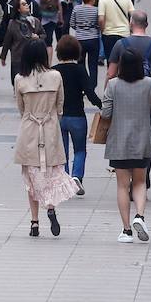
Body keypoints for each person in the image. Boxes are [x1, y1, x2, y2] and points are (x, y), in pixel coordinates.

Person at [14, 39, 78, 238]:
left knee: (31, 179)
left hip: (29, 129)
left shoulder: (20, 79)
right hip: (50, 128)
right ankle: (50, 207)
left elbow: (21, 108)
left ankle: (34, 222)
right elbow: (60, 104)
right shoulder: (55, 76)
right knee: (50, 174)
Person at [103, 48, 151, 242]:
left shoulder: (113, 85)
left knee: (122, 185)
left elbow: (106, 113)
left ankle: (126, 230)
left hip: (119, 141)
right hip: (142, 140)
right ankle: (140, 216)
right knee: (140, 182)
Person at [54, 35, 100, 196]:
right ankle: (76, 176)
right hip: (77, 116)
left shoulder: (53, 71)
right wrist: (102, 105)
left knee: (62, 151)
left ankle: (65, 179)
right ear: (77, 52)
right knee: (80, 149)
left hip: (58, 116)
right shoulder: (80, 70)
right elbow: (90, 93)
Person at [0, 0, 43, 89]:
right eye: (23, 4)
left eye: (26, 3)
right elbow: (7, 40)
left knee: (31, 79)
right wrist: (3, 56)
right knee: (17, 80)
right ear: (18, 9)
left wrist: (38, 37)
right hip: (18, 56)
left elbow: (43, 35)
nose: (27, 5)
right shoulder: (12, 23)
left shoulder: (35, 21)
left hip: (32, 56)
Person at [69, 0, 103, 91]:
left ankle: (82, 84)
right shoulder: (96, 10)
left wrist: (80, 28)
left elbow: (72, 23)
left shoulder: (77, 8)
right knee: (93, 65)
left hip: (80, 39)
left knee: (80, 63)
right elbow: (99, 24)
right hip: (93, 39)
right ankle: (91, 86)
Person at [97, 0, 133, 65]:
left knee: (111, 62)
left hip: (109, 34)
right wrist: (130, 28)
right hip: (124, 33)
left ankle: (112, 78)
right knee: (124, 62)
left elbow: (101, 19)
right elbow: (133, 15)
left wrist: (102, 30)